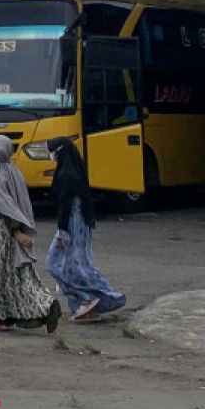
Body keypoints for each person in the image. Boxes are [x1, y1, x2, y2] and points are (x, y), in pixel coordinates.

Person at [0, 135, 61, 333]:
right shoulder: (15, 172)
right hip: (12, 228)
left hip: (2, 228)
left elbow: (6, 206)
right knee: (18, 274)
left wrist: (16, 231)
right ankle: (45, 304)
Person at [45, 138, 126, 322]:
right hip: (80, 226)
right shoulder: (75, 172)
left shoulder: (66, 175)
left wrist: (63, 232)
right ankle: (85, 306)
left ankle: (89, 298)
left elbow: (66, 206)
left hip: (71, 227)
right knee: (78, 265)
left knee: (60, 265)